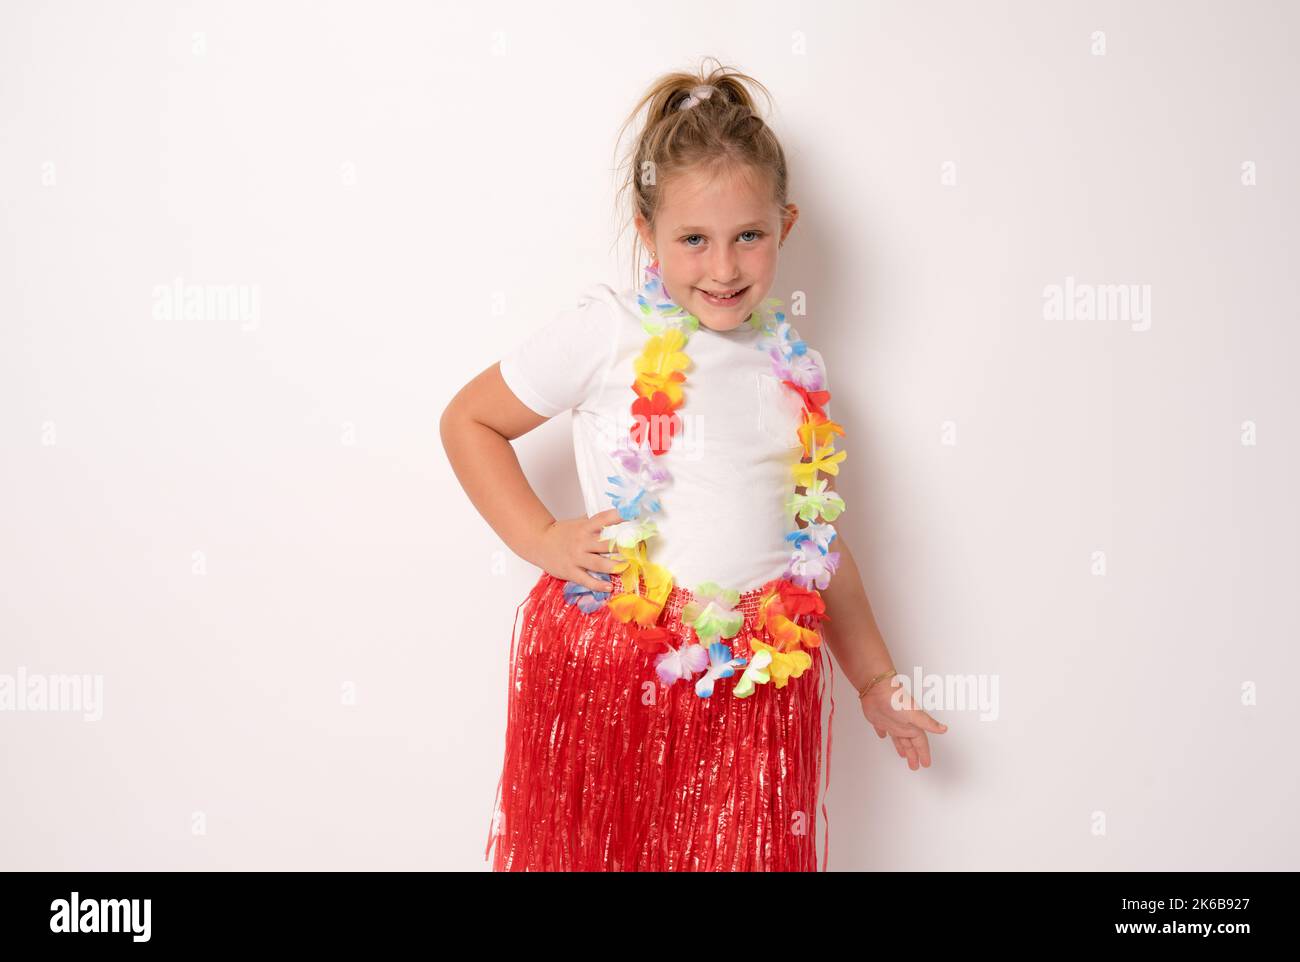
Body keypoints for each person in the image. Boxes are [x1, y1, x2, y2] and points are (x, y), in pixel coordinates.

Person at [440, 59, 947, 871]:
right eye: (693, 240)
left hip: (744, 692)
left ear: (786, 225)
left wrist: (876, 680)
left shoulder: (795, 374)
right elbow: (469, 420)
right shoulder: (608, 332)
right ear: (647, 233)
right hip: (617, 670)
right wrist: (539, 535)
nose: (722, 267)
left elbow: (819, 553)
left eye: (748, 235)